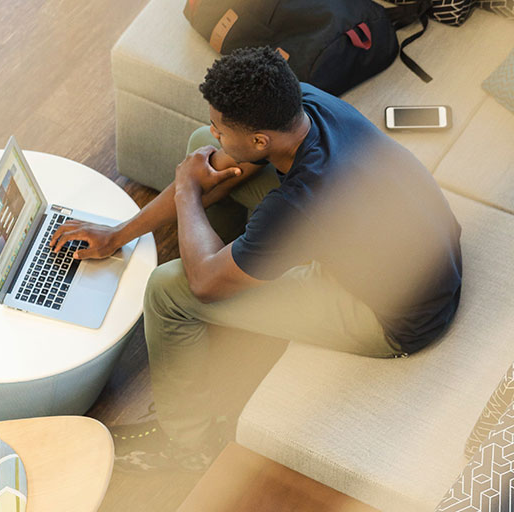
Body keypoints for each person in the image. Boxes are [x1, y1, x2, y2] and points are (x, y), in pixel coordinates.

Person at [50, 46, 462, 472]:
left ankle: (186, 444)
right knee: (200, 151)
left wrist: (188, 191)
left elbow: (203, 284)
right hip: (420, 252)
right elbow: (218, 160)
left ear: (261, 140)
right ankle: (237, 266)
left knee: (167, 291)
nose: (215, 133)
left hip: (393, 316)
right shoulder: (302, 104)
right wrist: (118, 235)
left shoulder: (302, 200)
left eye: (221, 128)